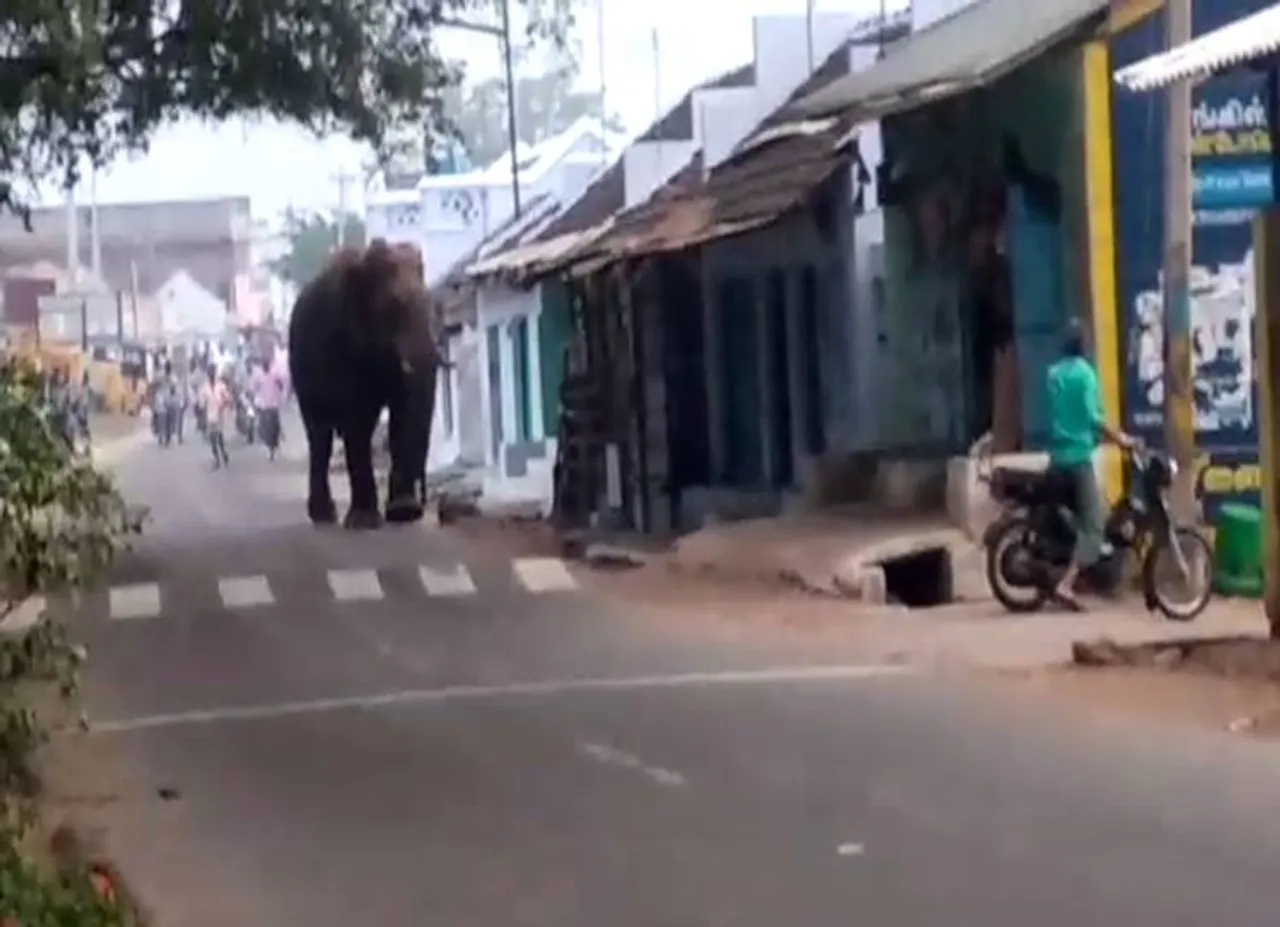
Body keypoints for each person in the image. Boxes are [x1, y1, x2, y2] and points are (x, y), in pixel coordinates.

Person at [1047, 320, 1138, 611]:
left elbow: (1063, 413)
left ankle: (1083, 575)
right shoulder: (1085, 375)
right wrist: (1120, 438)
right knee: (1094, 526)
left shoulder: (1053, 374)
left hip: (1056, 460)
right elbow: (1091, 418)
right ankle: (1067, 583)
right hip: (1078, 460)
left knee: (1080, 518)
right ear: (1083, 346)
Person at [251, 358, 286, 460]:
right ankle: (269, 448)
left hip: (273, 404)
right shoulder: (258, 375)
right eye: (264, 364)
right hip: (264, 405)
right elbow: (255, 388)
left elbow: (280, 385)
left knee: (274, 427)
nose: (265, 366)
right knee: (266, 428)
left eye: (267, 364)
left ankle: (274, 446)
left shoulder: (274, 373)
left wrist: (279, 392)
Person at [206, 370, 232, 469]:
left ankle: (223, 453)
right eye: (209, 374)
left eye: (212, 373)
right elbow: (203, 400)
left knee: (219, 437)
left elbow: (229, 398)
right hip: (210, 415)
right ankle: (216, 458)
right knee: (212, 438)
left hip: (219, 415)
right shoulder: (206, 387)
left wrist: (223, 406)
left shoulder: (221, 386)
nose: (211, 376)